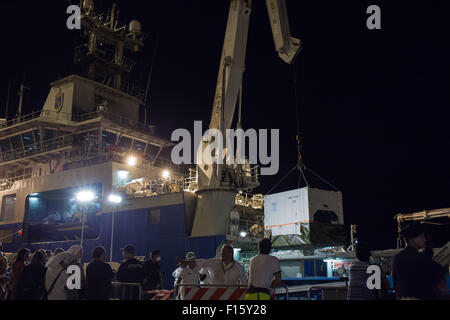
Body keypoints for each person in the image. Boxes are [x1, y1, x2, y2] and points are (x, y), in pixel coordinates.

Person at [391, 223, 446, 300]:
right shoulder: (423, 259)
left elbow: (396, 286)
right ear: (413, 239)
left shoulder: (395, 259)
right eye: (422, 236)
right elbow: (439, 281)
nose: (425, 239)